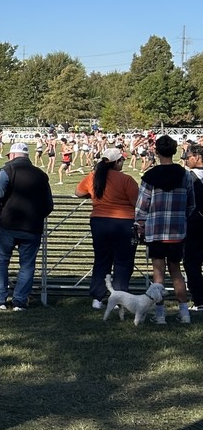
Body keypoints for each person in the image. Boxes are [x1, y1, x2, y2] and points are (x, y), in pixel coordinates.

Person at [134, 134, 195, 324]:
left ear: (157, 151)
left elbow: (142, 205)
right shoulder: (185, 175)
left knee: (158, 273)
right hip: (177, 231)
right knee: (176, 272)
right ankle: (184, 312)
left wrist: (140, 224)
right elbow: (191, 204)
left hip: (156, 230)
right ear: (176, 151)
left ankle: (160, 314)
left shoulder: (150, 176)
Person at [0, 142, 54, 311]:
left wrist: (0, 206)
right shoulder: (41, 175)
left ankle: (0, 299)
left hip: (9, 224)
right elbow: (49, 204)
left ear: (12, 155)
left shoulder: (7, 171)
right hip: (33, 226)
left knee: (1, 261)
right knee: (27, 265)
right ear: (27, 156)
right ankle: (19, 300)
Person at [75, 148, 139, 309]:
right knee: (123, 261)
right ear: (117, 162)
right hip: (124, 222)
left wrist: (92, 194)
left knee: (102, 260)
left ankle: (97, 298)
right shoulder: (127, 180)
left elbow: (78, 192)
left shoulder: (93, 177)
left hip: (99, 221)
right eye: (122, 160)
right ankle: (119, 297)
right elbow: (136, 203)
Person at [183, 142, 203, 310]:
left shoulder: (188, 177)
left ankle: (199, 299)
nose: (185, 160)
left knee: (191, 262)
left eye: (188, 157)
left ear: (197, 157)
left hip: (194, 224)